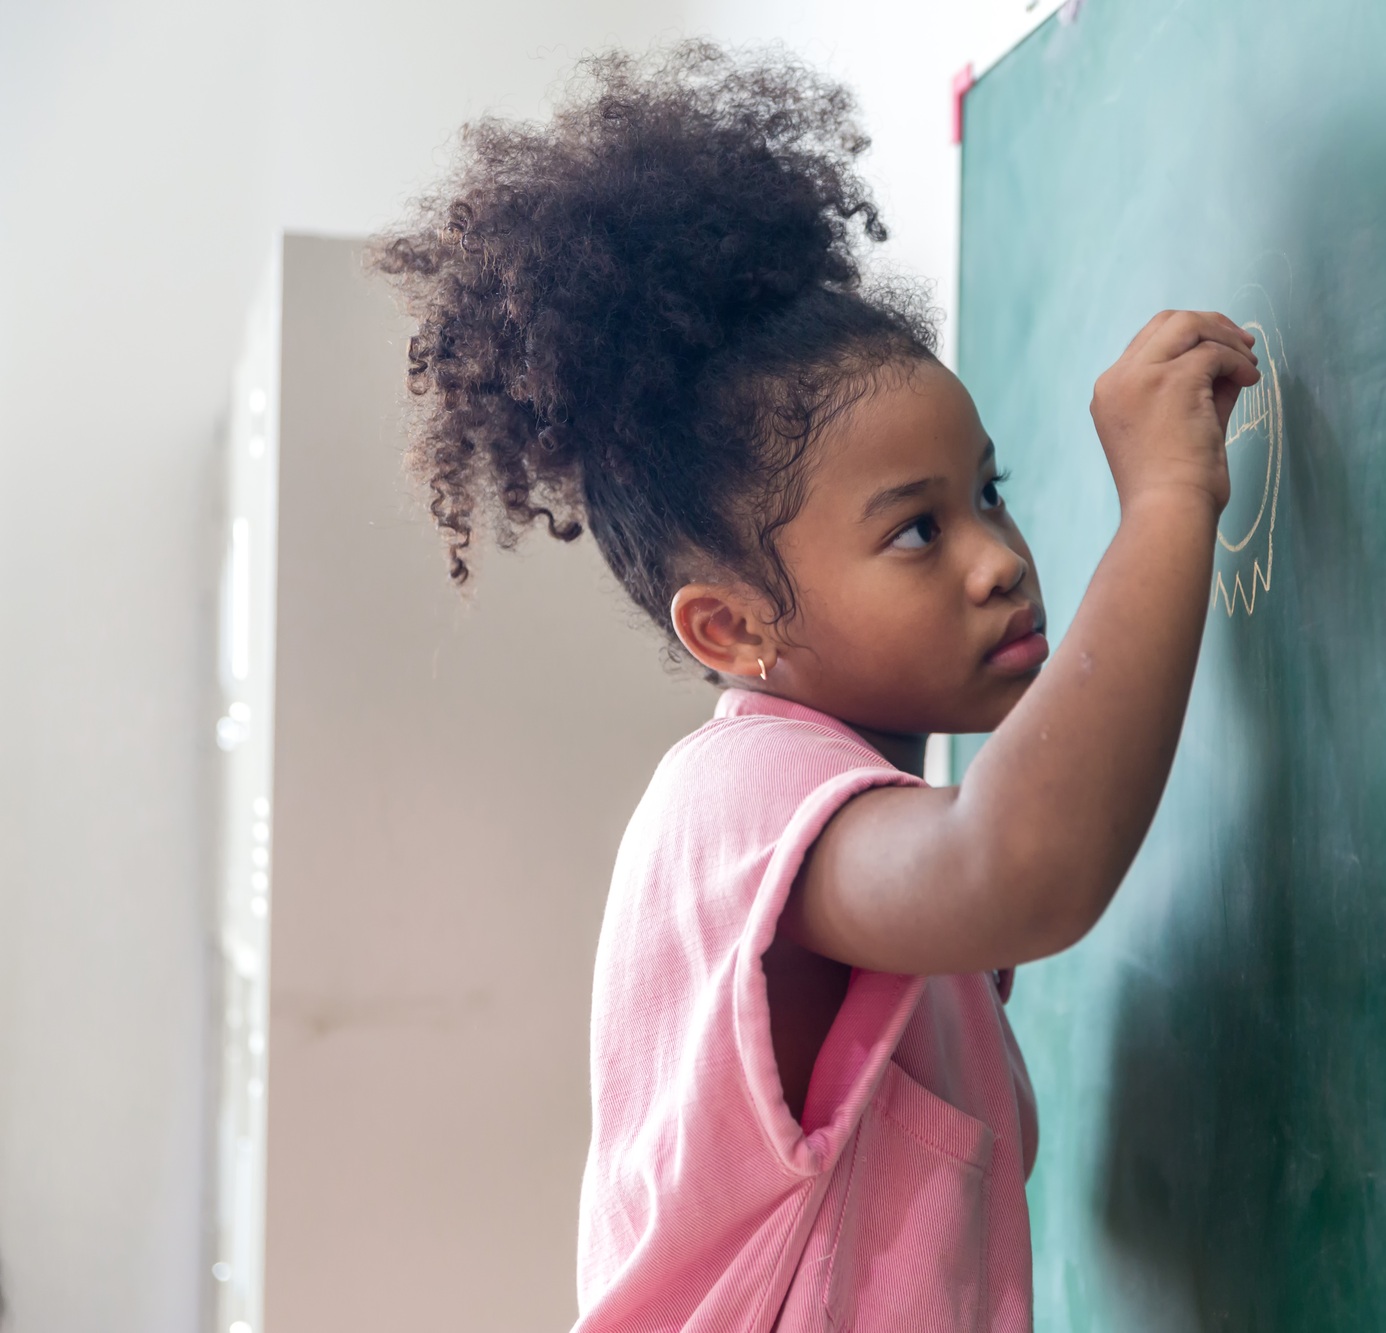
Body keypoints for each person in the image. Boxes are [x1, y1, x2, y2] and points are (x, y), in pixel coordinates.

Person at [371, 42, 1256, 1332]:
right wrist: (1170, 502)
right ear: (731, 629)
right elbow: (1023, 865)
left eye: (989, 495)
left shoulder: (869, 819)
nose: (999, 561)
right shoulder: (739, 800)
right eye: (916, 532)